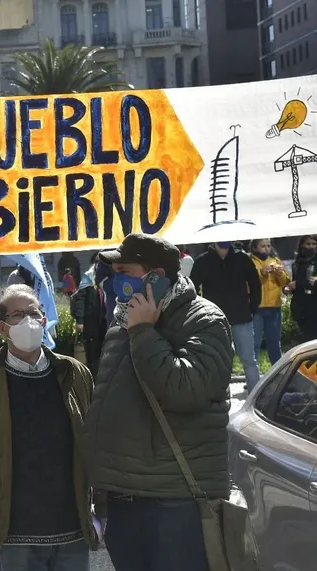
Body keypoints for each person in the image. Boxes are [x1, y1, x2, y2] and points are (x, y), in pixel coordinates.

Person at [82, 234, 233, 571]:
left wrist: (144, 333)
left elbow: (186, 389)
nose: (114, 280)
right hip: (124, 499)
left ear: (157, 276)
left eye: (124, 270)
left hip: (174, 502)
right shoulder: (126, 319)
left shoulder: (203, 319)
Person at [0, 285, 96, 570]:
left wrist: (102, 509)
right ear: (2, 327)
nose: (29, 321)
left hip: (71, 527)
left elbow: (96, 442)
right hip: (14, 531)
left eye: (34, 313)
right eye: (18, 315)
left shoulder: (74, 373)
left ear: (45, 321)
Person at [190, 242, 262, 392]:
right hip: (214, 320)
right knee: (217, 361)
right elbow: (193, 289)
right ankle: (219, 396)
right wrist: (201, 311)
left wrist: (252, 308)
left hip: (241, 317)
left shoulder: (242, 258)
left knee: (249, 360)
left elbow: (255, 284)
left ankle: (256, 396)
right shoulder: (202, 261)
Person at [249, 239, 289, 366]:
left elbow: (285, 282)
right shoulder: (250, 262)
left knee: (274, 345)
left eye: (268, 246)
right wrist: (261, 273)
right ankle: (254, 378)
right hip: (256, 308)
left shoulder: (275, 260)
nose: (266, 248)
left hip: (274, 307)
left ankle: (278, 377)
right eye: (263, 246)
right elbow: (247, 285)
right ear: (254, 248)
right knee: (254, 344)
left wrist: (280, 274)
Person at [71, 262, 107, 378]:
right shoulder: (88, 278)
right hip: (91, 321)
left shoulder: (110, 279)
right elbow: (80, 300)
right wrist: (80, 321)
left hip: (106, 321)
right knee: (92, 352)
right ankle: (93, 378)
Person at [289, 235, 317, 341]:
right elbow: (294, 283)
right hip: (301, 306)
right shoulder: (297, 263)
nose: (311, 247)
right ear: (302, 246)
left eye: (314, 244)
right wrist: (289, 288)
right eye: (308, 244)